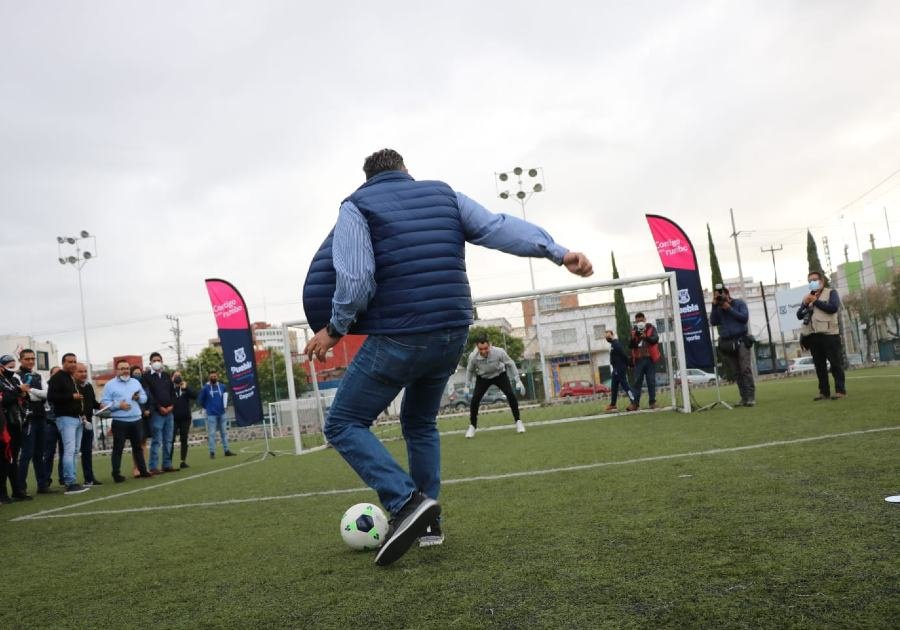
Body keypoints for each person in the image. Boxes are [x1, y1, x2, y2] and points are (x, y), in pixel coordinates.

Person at [302, 149, 593, 565]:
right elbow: (497, 226)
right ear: (406, 171)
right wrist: (556, 251)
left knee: (344, 422)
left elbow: (356, 276)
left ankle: (405, 503)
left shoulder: (356, 206)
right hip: (453, 330)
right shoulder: (445, 195)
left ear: (368, 179)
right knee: (419, 422)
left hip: (401, 334)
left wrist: (335, 329)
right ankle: (429, 525)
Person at [797, 270, 846, 401]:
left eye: (814, 280)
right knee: (819, 366)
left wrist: (816, 301)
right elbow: (799, 315)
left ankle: (840, 391)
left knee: (835, 364)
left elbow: (833, 308)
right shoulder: (807, 297)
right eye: (809, 281)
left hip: (829, 334)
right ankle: (824, 392)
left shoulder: (831, 293)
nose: (812, 283)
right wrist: (806, 304)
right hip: (813, 336)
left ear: (821, 281)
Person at [464, 337, 526, 438]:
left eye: (486, 348)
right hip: (483, 378)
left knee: (510, 394)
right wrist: (467, 385)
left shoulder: (499, 352)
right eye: (481, 349)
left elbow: (510, 363)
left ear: (490, 345)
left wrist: (518, 380)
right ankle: (472, 426)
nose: (483, 351)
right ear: (477, 347)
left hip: (499, 375)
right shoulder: (473, 357)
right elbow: (470, 370)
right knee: (475, 399)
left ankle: (518, 421)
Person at [46, 353, 90, 494]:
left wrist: (81, 414)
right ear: (63, 363)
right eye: (70, 361)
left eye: (74, 361)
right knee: (69, 450)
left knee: (75, 451)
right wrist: (71, 396)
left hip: (77, 418)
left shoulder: (71, 378)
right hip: (65, 418)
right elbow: (51, 397)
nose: (73, 364)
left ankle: (73, 480)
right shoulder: (57, 378)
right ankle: (69, 482)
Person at [103, 359, 151, 482]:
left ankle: (143, 471)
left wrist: (138, 397)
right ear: (116, 370)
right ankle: (116, 474)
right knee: (118, 449)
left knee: (138, 447)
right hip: (120, 421)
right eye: (122, 368)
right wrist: (119, 405)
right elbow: (105, 403)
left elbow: (144, 398)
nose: (125, 371)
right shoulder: (110, 385)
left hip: (136, 420)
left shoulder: (135, 382)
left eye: (127, 368)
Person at [709, 284, 756, 407]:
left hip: (741, 340)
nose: (719, 297)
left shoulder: (739, 303)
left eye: (721, 294)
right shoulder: (718, 308)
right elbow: (713, 321)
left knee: (745, 369)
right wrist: (714, 306)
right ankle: (743, 398)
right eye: (717, 295)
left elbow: (744, 318)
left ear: (727, 293)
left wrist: (729, 308)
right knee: (736, 372)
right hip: (728, 343)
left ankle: (751, 397)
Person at [15, 349, 50, 496]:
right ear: (21, 360)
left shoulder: (38, 375)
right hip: (27, 418)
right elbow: (29, 396)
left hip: (41, 416)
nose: (30, 361)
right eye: (27, 359)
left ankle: (42, 486)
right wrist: (37, 393)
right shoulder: (16, 375)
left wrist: (32, 391)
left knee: (39, 453)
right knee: (27, 454)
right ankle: (20, 488)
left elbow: (46, 394)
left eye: (32, 359)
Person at [0, 354, 30, 501]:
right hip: (4, 425)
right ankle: (3, 494)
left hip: (16, 422)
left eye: (13, 366)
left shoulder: (12, 380)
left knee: (13, 459)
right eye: (9, 366)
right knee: (4, 459)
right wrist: (18, 391)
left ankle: (17, 490)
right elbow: (4, 399)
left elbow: (21, 396)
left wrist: (23, 393)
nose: (12, 369)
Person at [144, 352, 178, 473]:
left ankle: (167, 464)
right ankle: (153, 466)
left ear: (162, 362)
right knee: (157, 441)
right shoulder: (147, 377)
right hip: (157, 414)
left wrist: (171, 406)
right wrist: (160, 407)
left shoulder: (166, 375)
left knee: (168, 440)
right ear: (150, 363)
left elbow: (172, 393)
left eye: (158, 360)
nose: (156, 362)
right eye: (154, 360)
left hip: (169, 413)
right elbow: (150, 396)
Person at [73, 363, 102, 486]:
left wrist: (102, 406)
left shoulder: (89, 386)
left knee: (87, 451)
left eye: (85, 371)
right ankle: (69, 480)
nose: (84, 374)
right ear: (73, 373)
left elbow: (93, 403)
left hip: (88, 423)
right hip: (75, 423)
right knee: (72, 452)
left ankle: (89, 478)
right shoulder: (72, 387)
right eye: (80, 371)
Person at [627, 313, 661, 411]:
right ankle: (635, 404)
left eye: (641, 320)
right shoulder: (633, 331)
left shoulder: (651, 328)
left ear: (645, 320)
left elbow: (655, 339)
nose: (639, 323)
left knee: (651, 381)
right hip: (638, 360)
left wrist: (645, 336)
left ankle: (652, 402)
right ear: (635, 322)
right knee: (637, 382)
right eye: (637, 321)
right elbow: (630, 345)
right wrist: (636, 338)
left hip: (650, 359)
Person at [197, 370, 234, 458]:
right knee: (212, 434)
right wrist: (207, 407)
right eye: (211, 376)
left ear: (217, 377)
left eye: (215, 376)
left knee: (224, 433)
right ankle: (212, 452)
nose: (213, 378)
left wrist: (226, 405)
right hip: (211, 415)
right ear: (209, 377)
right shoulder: (205, 388)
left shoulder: (222, 386)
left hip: (222, 413)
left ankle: (226, 450)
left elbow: (225, 397)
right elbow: (200, 400)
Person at [604, 330, 636, 412]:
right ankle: (613, 404)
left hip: (620, 368)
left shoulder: (616, 344)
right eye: (606, 337)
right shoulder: (612, 345)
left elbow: (623, 355)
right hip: (615, 369)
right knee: (614, 387)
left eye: (609, 336)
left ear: (612, 335)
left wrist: (628, 364)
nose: (607, 338)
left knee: (625, 385)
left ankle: (634, 402)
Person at [170, 371, 196, 468]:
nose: (177, 377)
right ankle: (168, 462)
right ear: (172, 378)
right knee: (170, 440)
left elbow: (195, 395)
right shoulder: (169, 389)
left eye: (179, 376)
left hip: (185, 419)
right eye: (175, 376)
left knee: (184, 440)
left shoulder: (185, 388)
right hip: (173, 419)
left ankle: (183, 461)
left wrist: (186, 388)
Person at [130, 365, 151, 477]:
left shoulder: (144, 386)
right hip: (135, 417)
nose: (137, 375)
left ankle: (144, 467)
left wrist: (148, 410)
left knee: (144, 443)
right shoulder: (129, 386)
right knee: (136, 444)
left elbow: (149, 399)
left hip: (145, 418)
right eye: (135, 373)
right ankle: (135, 468)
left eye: (139, 373)